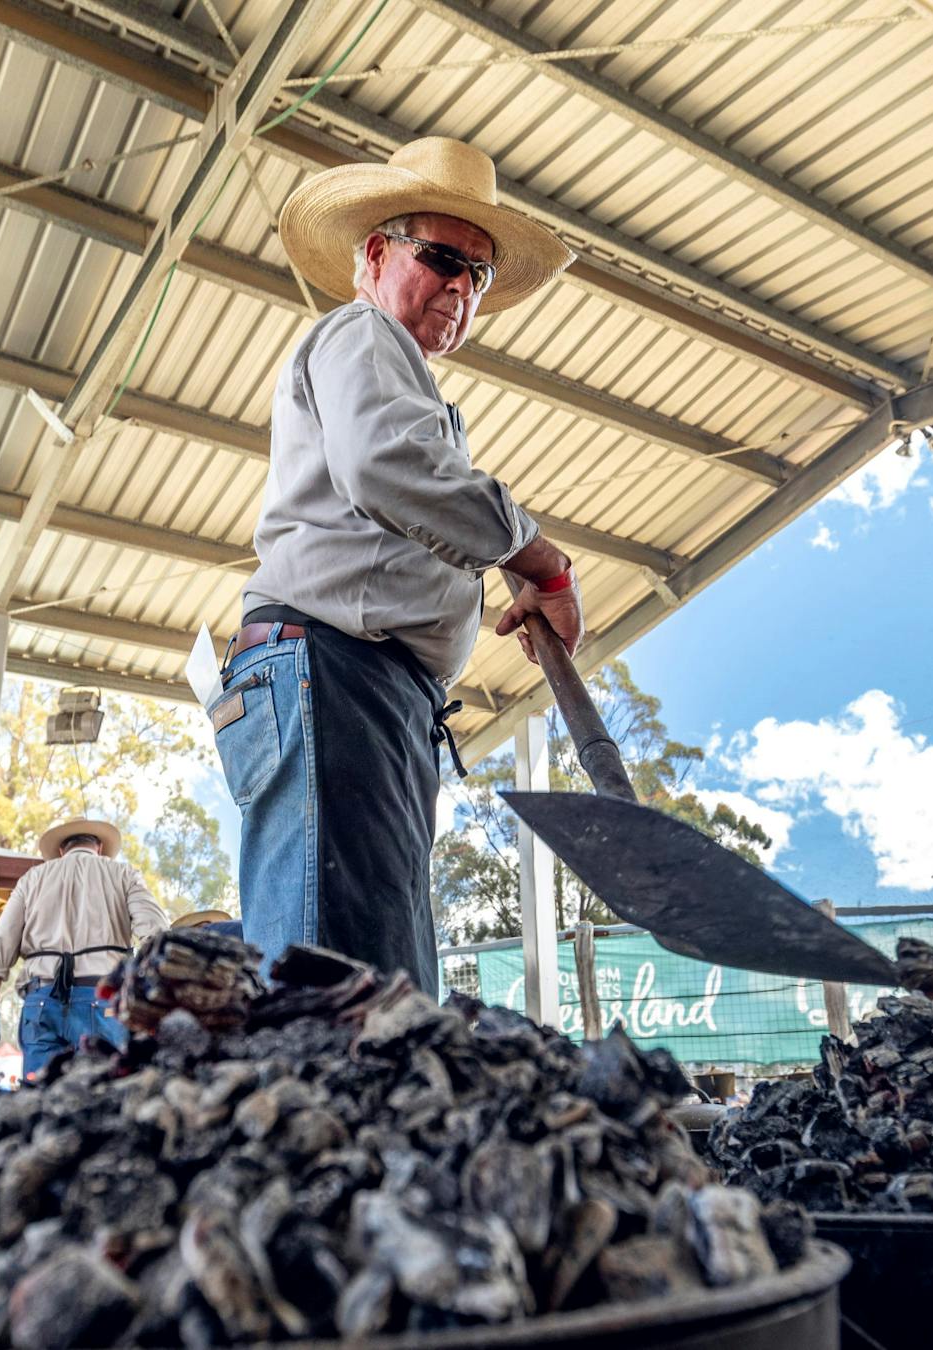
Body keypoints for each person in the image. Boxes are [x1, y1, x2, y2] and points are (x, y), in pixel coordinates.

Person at [211, 137, 581, 994]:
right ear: (377, 254)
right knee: (334, 983)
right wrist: (541, 562)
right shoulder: (363, 333)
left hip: (368, 692)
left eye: (477, 275)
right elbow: (388, 466)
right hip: (332, 673)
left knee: (377, 975)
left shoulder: (408, 382)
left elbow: (412, 482)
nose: (460, 287)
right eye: (442, 258)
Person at [0, 817, 168, 1078]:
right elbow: (157, 934)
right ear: (98, 846)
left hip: (41, 1000)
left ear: (61, 850)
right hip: (103, 998)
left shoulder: (32, 879)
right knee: (106, 1094)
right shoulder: (123, 874)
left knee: (39, 1096)